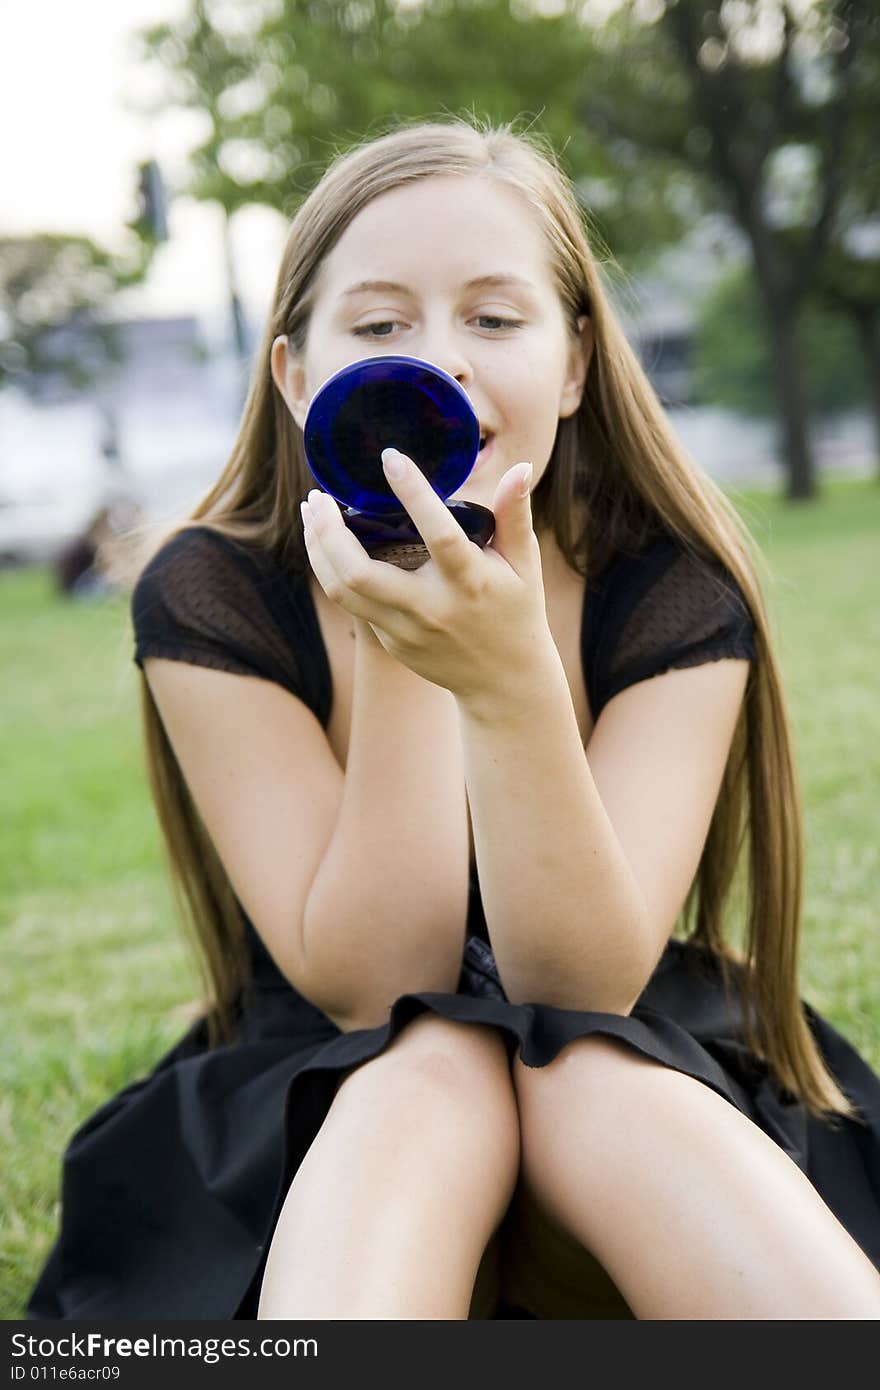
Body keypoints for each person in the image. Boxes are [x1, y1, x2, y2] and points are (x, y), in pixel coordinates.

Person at [27, 116, 880, 1322]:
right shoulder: (210, 588)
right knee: (431, 1073)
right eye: (378, 328)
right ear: (296, 377)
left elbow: (586, 985)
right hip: (333, 1098)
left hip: (640, 1060)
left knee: (589, 1080)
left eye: (493, 317)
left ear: (576, 363)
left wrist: (511, 684)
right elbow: (382, 988)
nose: (438, 364)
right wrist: (400, 648)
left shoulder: (672, 586)